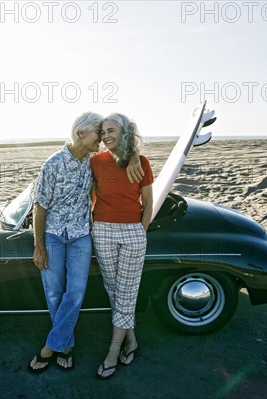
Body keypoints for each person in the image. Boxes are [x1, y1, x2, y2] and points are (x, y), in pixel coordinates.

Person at [29, 112, 144, 373]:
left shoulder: (92, 161)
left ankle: (51, 346)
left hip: (81, 235)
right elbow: (39, 206)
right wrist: (39, 246)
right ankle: (66, 345)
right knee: (54, 292)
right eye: (97, 133)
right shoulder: (53, 164)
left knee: (76, 292)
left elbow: (123, 152)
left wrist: (135, 154)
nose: (102, 139)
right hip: (53, 237)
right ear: (81, 134)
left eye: (104, 133)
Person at [90, 113, 154, 380]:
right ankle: (132, 340)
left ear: (125, 131)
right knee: (115, 290)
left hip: (133, 233)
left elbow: (148, 203)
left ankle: (113, 351)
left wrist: (141, 231)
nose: (106, 136)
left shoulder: (141, 163)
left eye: (111, 130)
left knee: (126, 291)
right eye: (103, 132)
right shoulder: (95, 161)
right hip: (102, 230)